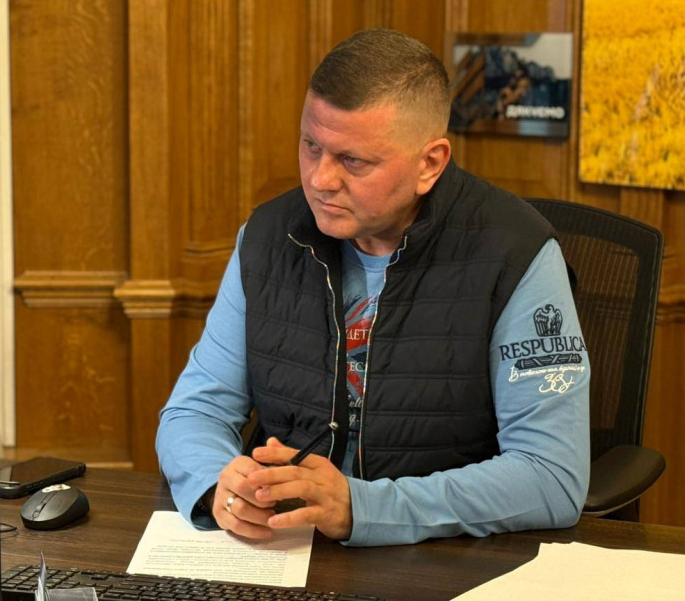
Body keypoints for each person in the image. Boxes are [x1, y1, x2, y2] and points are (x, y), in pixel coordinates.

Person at [156, 28, 590, 547]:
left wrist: (363, 508)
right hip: (286, 547)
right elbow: (195, 411)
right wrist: (219, 486)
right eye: (311, 146)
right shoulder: (269, 237)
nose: (320, 179)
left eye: (353, 160)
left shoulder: (516, 254)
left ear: (430, 163)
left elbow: (551, 475)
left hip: (443, 558)